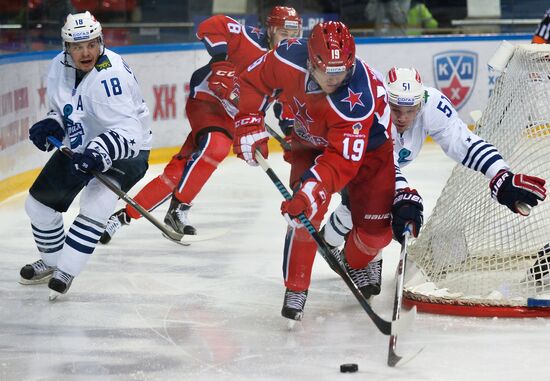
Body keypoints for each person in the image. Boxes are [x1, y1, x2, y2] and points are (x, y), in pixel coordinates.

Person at [233, 21, 418, 322]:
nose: (335, 80)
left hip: (369, 149)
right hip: (310, 140)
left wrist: (310, 191)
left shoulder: (357, 100)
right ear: (311, 60)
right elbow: (253, 82)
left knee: (375, 235)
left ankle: (357, 259)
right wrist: (247, 122)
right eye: (328, 73)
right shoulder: (285, 57)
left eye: (341, 72)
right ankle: (296, 287)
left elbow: (340, 163)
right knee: (304, 218)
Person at [322, 67, 548, 297]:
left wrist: (500, 174)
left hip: (381, 168)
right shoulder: (372, 109)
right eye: (396, 109)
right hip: (347, 157)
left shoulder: (432, 105)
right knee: (369, 207)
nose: (402, 118)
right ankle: (339, 247)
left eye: (410, 110)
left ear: (420, 104)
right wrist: (401, 194)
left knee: (371, 206)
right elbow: (380, 165)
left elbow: (463, 142)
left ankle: (330, 241)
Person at [99, 6, 302, 244]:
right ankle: (179, 207)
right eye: (283, 33)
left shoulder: (290, 63)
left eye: (294, 34)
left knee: (179, 172)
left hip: (233, 116)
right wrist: (220, 64)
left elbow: (288, 103)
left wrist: (291, 133)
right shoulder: (248, 37)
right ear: (270, 29)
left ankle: (122, 217)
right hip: (208, 101)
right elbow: (211, 26)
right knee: (216, 146)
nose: (289, 40)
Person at [19, 11, 152, 297]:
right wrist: (52, 123)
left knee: (94, 207)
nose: (86, 52)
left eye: (91, 44)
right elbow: (67, 111)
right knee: (38, 206)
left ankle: (65, 271)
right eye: (78, 46)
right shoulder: (58, 66)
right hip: (83, 145)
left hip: (127, 152)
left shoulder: (110, 76)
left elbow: (130, 133)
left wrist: (97, 153)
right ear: (66, 48)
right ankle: (54, 263)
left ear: (100, 41)